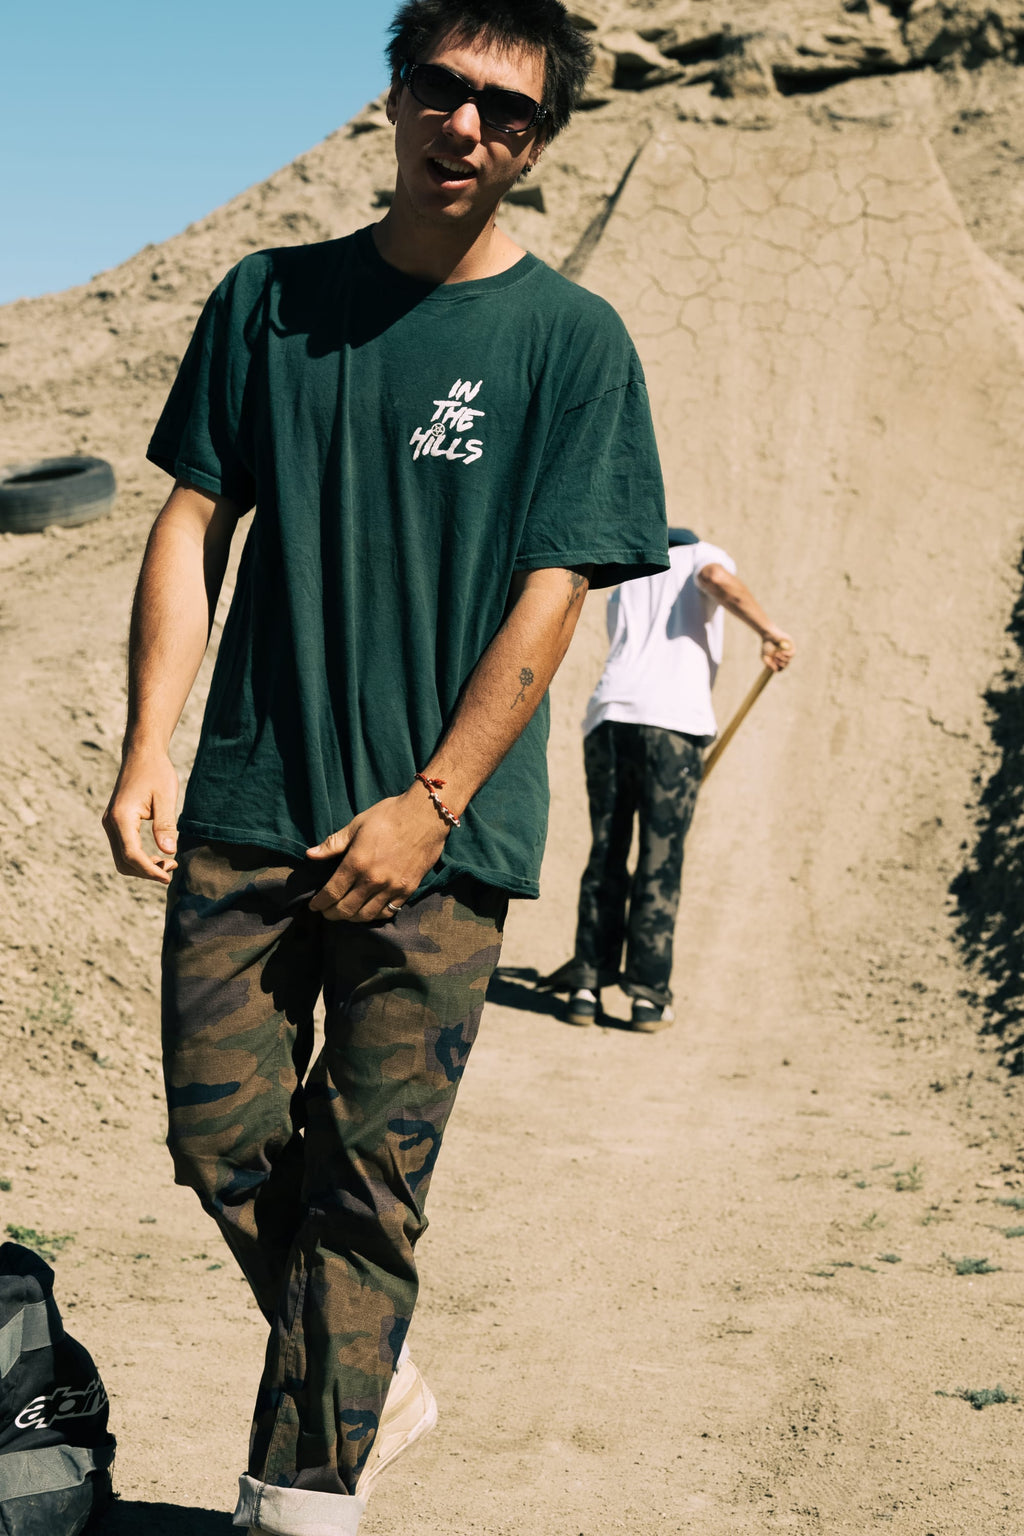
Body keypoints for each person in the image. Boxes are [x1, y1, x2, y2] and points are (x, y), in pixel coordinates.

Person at [101, 4, 669, 1533]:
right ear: (396, 95)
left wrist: (431, 807)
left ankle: (302, 1496)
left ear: (537, 141)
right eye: (444, 89)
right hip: (250, 798)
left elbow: (559, 588)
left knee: (366, 1192)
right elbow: (189, 522)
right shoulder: (268, 302)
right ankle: (372, 1376)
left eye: (508, 111)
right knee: (219, 1140)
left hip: (442, 844)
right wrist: (151, 744)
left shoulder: (570, 342)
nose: (468, 129)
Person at [542, 527, 794, 1033]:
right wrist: (768, 630)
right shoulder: (704, 555)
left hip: (610, 719)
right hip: (673, 727)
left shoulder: (630, 577)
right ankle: (648, 998)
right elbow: (718, 579)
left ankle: (587, 987)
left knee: (607, 853)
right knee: (660, 861)